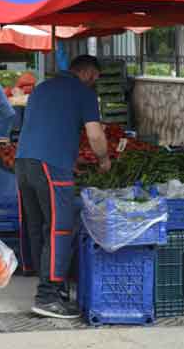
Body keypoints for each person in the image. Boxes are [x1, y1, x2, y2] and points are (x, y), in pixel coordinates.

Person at [14, 55, 111, 319]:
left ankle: (49, 287)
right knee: (60, 228)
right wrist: (103, 160)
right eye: (95, 78)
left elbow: (43, 128)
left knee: (39, 227)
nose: (95, 83)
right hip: (51, 167)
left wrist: (70, 157)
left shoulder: (42, 88)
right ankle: (48, 296)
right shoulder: (83, 93)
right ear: (89, 73)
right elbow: (95, 135)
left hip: (24, 162)